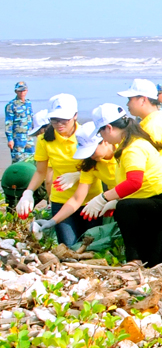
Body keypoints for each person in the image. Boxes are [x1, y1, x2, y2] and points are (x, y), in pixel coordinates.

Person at [80, 107, 162, 267]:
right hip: (150, 201)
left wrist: (103, 198)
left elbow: (134, 182)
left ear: (109, 128)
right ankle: (151, 268)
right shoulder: (129, 145)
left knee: (124, 208)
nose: (102, 137)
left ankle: (134, 259)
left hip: (161, 202)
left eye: (101, 133)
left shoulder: (133, 148)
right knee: (154, 254)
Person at [15, 94, 101, 246]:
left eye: (64, 119)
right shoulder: (44, 140)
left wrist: (78, 175)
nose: (59, 124)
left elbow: (101, 165)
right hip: (61, 200)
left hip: (90, 199)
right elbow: (41, 172)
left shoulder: (87, 135)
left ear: (75, 116)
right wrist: (28, 192)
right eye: (54, 119)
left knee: (91, 246)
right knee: (68, 246)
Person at [119, 78, 162, 266]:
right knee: (160, 242)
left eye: (130, 99)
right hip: (155, 191)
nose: (127, 104)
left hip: (154, 191)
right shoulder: (153, 122)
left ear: (143, 99)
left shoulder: (152, 127)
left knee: (160, 245)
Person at [33, 116, 118, 238]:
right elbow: (77, 198)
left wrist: (109, 199)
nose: (91, 156)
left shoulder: (122, 152)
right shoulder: (91, 163)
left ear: (104, 140)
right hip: (119, 202)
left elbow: (135, 182)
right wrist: (53, 221)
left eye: (92, 151)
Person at [5, 81, 34, 163]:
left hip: (29, 137)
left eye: (24, 90)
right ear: (16, 91)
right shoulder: (11, 105)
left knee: (32, 160)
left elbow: (31, 119)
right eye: (20, 91)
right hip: (18, 138)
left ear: (27, 91)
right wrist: (10, 139)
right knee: (18, 161)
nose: (22, 93)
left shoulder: (28, 103)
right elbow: (8, 123)